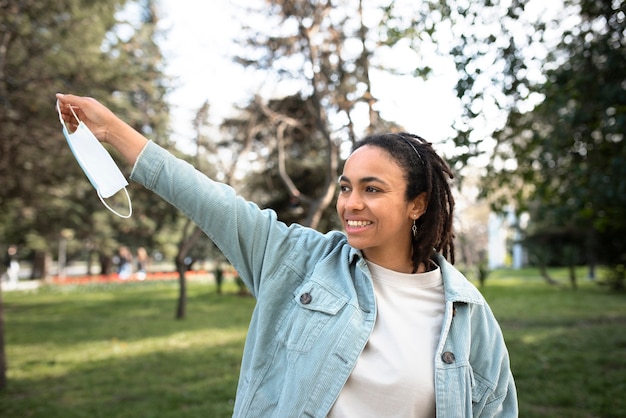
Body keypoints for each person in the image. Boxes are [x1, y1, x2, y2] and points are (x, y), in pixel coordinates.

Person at [56, 93, 518, 417]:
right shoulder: (298, 261)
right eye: (345, 187)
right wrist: (110, 129)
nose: (350, 204)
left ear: (416, 204)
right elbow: (207, 198)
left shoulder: (468, 316)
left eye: (372, 189)